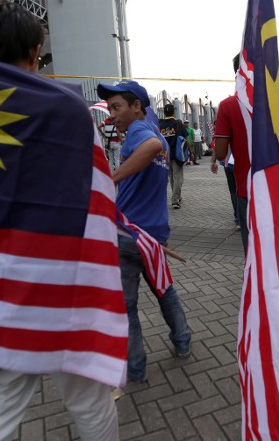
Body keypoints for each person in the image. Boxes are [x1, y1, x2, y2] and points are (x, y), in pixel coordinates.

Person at [0, 1, 119, 441]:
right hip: (66, 283)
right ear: (36, 52)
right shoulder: (68, 108)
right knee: (90, 402)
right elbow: (96, 192)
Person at [97, 80, 192, 383]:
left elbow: (150, 148)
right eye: (110, 108)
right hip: (153, 235)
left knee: (127, 307)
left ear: (137, 106)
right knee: (165, 291)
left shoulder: (140, 132)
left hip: (128, 235)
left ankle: (136, 369)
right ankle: (183, 341)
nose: (112, 115)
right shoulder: (151, 132)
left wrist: (112, 177)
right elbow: (154, 148)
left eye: (117, 107)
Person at [214, 53, 279, 251]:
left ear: (238, 73)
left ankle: (256, 281)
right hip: (278, 184)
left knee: (252, 248)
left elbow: (220, 154)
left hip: (247, 187)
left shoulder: (227, 106)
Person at [159, 104, 188, 208]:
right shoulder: (178, 123)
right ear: (174, 112)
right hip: (177, 155)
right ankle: (175, 200)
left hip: (165, 155)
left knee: (172, 178)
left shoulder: (161, 125)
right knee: (178, 178)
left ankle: (177, 196)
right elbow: (186, 138)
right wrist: (190, 153)